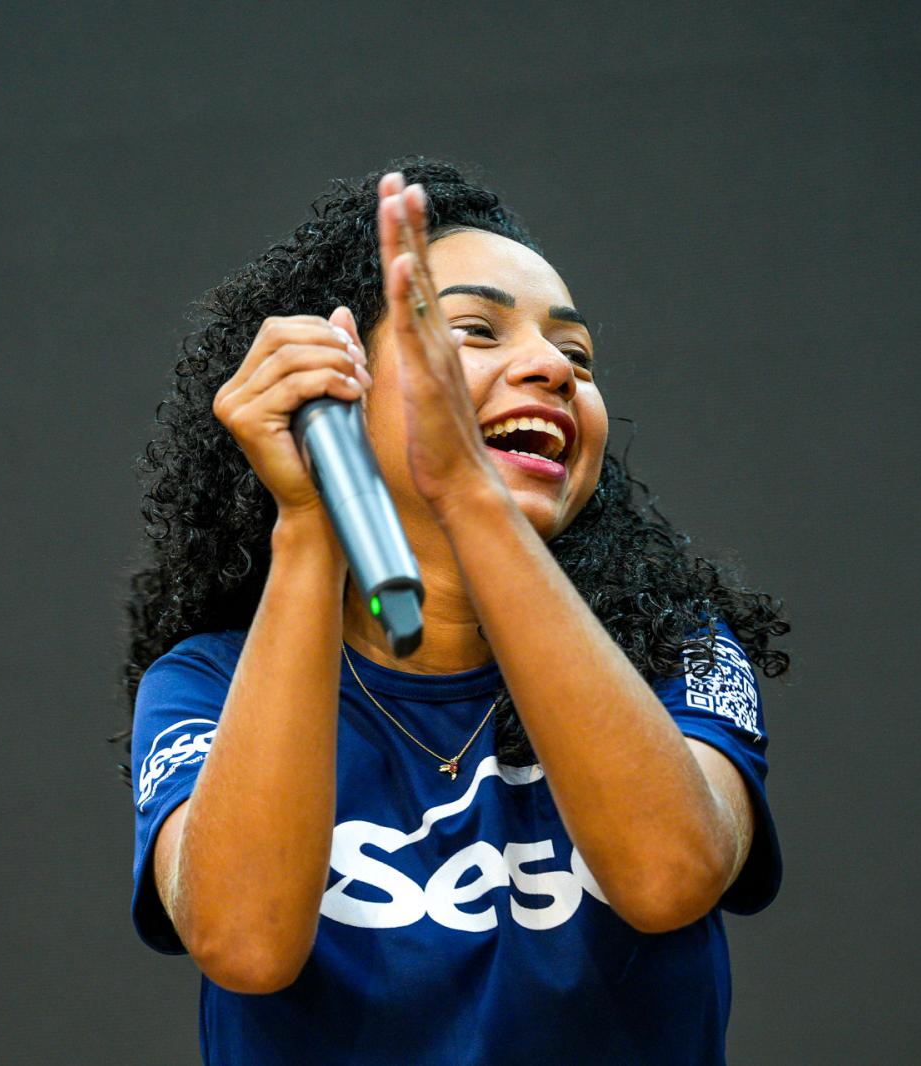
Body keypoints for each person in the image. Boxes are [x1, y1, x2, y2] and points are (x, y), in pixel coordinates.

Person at [115, 157, 792, 1064]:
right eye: (474, 330)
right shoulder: (206, 683)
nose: (551, 367)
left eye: (577, 356)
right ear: (334, 384)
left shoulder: (678, 647)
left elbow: (671, 876)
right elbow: (244, 944)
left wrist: (467, 491)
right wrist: (311, 516)